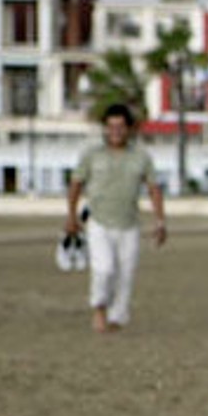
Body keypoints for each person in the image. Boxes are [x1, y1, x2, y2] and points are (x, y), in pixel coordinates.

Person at [65, 103, 166, 334]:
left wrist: (160, 221)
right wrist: (71, 216)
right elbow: (76, 184)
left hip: (129, 223)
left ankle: (117, 318)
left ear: (129, 128)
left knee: (126, 274)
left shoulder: (141, 156)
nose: (115, 132)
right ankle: (99, 309)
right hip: (98, 221)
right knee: (104, 269)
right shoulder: (91, 154)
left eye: (120, 127)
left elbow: (153, 188)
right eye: (111, 127)